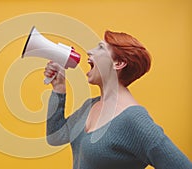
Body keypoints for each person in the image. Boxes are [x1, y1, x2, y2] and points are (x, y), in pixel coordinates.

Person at [44, 30, 192, 169]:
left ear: (118, 63)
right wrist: (58, 88)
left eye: (100, 47)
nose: (89, 51)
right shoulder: (91, 105)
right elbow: (55, 136)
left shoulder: (133, 119)